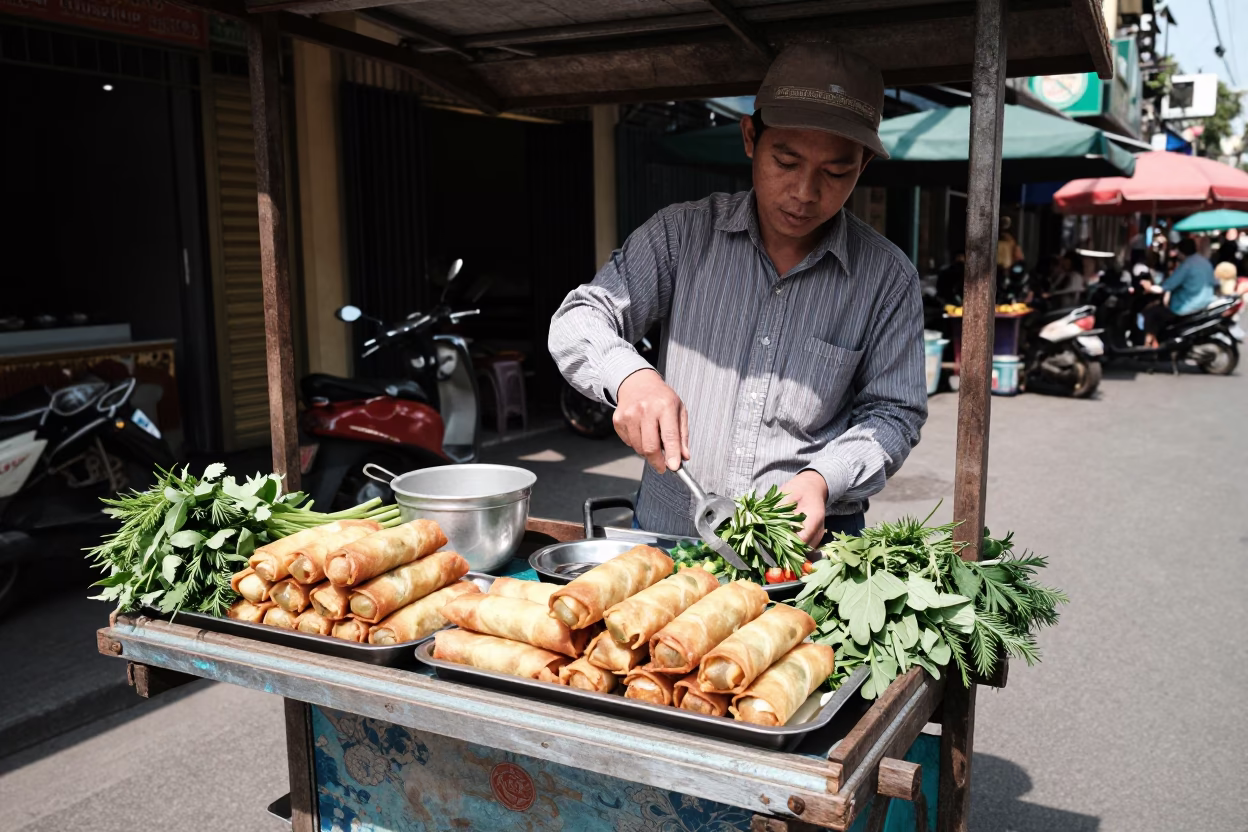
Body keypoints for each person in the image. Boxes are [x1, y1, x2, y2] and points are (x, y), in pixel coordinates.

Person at [549, 43, 927, 544]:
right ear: (751, 137)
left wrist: (822, 480)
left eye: (835, 172)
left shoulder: (886, 277)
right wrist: (632, 378)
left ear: (862, 168)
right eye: (786, 161)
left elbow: (895, 413)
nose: (805, 192)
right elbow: (580, 315)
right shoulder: (680, 235)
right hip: (670, 533)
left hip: (808, 549)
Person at [1139, 237, 1216, 347]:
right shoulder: (1205, 262)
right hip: (1204, 304)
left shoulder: (1187, 265)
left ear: (1181, 252)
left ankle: (1149, 345)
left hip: (1186, 307)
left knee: (1151, 313)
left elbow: (1166, 286)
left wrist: (1149, 287)